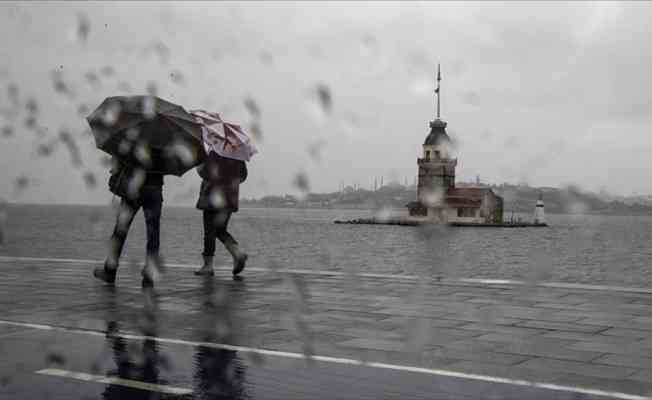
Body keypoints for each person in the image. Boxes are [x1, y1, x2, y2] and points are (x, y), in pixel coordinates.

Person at [93, 156, 164, 287]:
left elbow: (123, 155)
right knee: (153, 234)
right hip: (155, 189)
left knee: (120, 230)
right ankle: (149, 276)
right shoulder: (165, 139)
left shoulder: (136, 137)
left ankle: (110, 271)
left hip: (134, 188)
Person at [194, 151, 248, 276]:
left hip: (212, 197)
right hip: (229, 198)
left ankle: (208, 266)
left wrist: (199, 165)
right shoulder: (237, 155)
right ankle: (237, 253)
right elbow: (243, 176)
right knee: (220, 230)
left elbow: (205, 173)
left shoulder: (214, 153)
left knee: (209, 232)